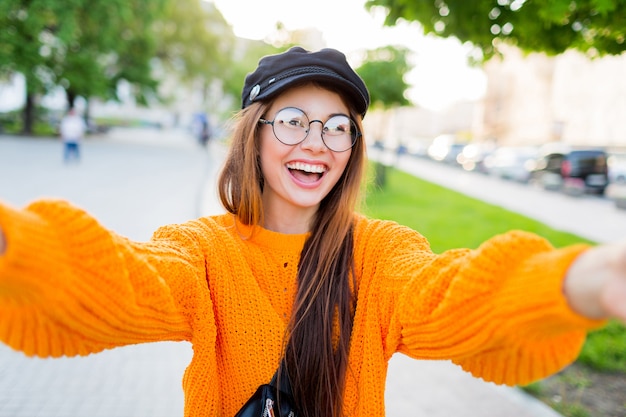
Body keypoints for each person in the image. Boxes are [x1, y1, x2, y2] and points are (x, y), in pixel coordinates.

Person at [0, 46, 625, 417]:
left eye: (337, 128)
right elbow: (120, 283)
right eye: (294, 120)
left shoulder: (381, 254)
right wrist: (15, 246)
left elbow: (453, 296)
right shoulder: (203, 250)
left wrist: (579, 281)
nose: (316, 144)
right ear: (255, 134)